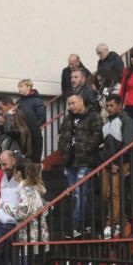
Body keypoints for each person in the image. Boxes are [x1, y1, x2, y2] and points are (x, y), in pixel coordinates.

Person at [0, 162, 49, 265]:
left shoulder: (25, 189)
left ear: (19, 173)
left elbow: (22, 212)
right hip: (35, 234)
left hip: (28, 235)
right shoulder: (31, 188)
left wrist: (6, 206)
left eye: (14, 172)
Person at [58, 93, 103, 237]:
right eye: (69, 104)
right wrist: (64, 152)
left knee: (79, 193)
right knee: (76, 194)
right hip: (70, 160)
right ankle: (89, 223)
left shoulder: (93, 116)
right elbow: (62, 136)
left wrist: (87, 149)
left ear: (81, 101)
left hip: (86, 160)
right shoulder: (68, 118)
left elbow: (98, 135)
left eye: (73, 103)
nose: (71, 106)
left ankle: (76, 226)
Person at [100, 95, 133, 239]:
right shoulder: (106, 124)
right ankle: (121, 219)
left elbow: (128, 145)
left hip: (120, 163)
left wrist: (117, 163)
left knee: (114, 193)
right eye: (107, 106)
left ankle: (112, 223)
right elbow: (103, 146)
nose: (108, 108)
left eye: (111, 105)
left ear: (120, 106)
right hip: (107, 164)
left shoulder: (125, 120)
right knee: (105, 193)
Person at [17, 79, 46, 160]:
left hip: (34, 136)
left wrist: (33, 129)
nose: (19, 89)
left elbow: (42, 118)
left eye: (21, 86)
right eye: (18, 87)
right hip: (21, 136)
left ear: (29, 87)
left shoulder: (37, 101)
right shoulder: (18, 102)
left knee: (34, 161)